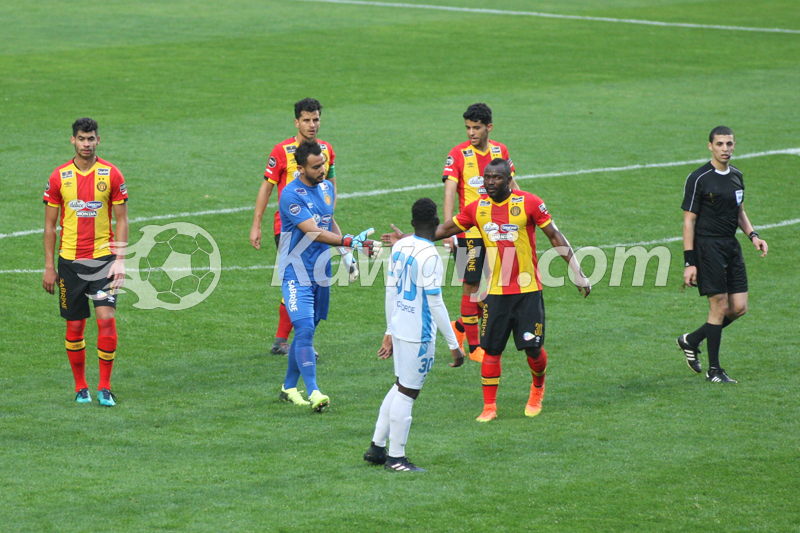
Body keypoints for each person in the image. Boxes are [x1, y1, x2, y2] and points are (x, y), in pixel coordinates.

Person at [384, 159, 590, 422]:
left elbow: (554, 235)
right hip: (495, 293)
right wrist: (409, 238)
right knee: (491, 351)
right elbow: (444, 230)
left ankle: (537, 388)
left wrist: (577, 271)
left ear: (509, 179)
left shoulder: (529, 203)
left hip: (528, 291)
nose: (490, 182)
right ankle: (489, 407)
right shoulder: (478, 208)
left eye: (497, 177)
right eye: (487, 177)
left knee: (533, 349)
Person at [277, 141, 382, 411]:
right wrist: (350, 242)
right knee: (304, 329)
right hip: (296, 272)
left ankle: (288, 388)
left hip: (321, 272)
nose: (322, 170)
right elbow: (313, 232)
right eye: (315, 167)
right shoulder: (291, 194)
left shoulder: (326, 188)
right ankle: (314, 391)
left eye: (323, 164)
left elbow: (328, 221)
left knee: (307, 331)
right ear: (301, 168)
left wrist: (347, 256)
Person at [364, 198, 465, 472]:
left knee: (400, 385)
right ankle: (396, 458)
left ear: (411, 223)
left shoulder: (400, 246)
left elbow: (390, 291)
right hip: (418, 334)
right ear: (437, 223)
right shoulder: (431, 255)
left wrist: (389, 329)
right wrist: (454, 345)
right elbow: (436, 304)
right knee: (408, 393)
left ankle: (377, 447)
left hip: (399, 326)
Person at [250, 98, 357, 356]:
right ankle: (293, 342)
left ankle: (289, 341)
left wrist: (328, 218)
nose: (312, 125)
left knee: (313, 282)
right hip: (288, 229)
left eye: (316, 119)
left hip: (318, 227)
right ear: (296, 122)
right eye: (306, 120)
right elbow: (266, 188)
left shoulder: (326, 150)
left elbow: (331, 187)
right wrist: (256, 224)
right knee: (299, 282)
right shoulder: (281, 151)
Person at [42, 117, 129, 407]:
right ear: (73, 140)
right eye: (81, 138)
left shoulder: (111, 174)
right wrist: (50, 267)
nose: (86, 144)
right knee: (75, 327)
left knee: (106, 319)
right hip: (70, 264)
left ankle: (105, 387)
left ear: (98, 140)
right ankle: (81, 387)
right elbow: (50, 226)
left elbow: (122, 220)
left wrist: (120, 260)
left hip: (103, 262)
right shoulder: (59, 177)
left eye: (91, 138)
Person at [677, 126, 768, 383]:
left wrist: (753, 235)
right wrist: (690, 261)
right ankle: (714, 371)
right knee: (718, 306)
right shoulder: (699, 178)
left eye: (729, 144)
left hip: (731, 246)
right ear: (710, 146)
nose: (725, 149)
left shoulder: (736, 176)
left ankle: (692, 339)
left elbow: (739, 211)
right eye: (719, 144)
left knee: (738, 307)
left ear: (734, 146)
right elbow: (688, 222)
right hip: (708, 248)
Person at [442, 103, 521, 363]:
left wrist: (523, 209)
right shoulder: (458, 154)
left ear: (489, 127)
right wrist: (448, 230)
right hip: (469, 233)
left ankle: (460, 327)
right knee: (472, 286)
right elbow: (450, 192)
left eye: (476, 128)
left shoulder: (500, 150)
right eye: (468, 127)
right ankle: (475, 347)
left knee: (496, 289)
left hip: (497, 232)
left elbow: (512, 184)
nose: (471, 133)